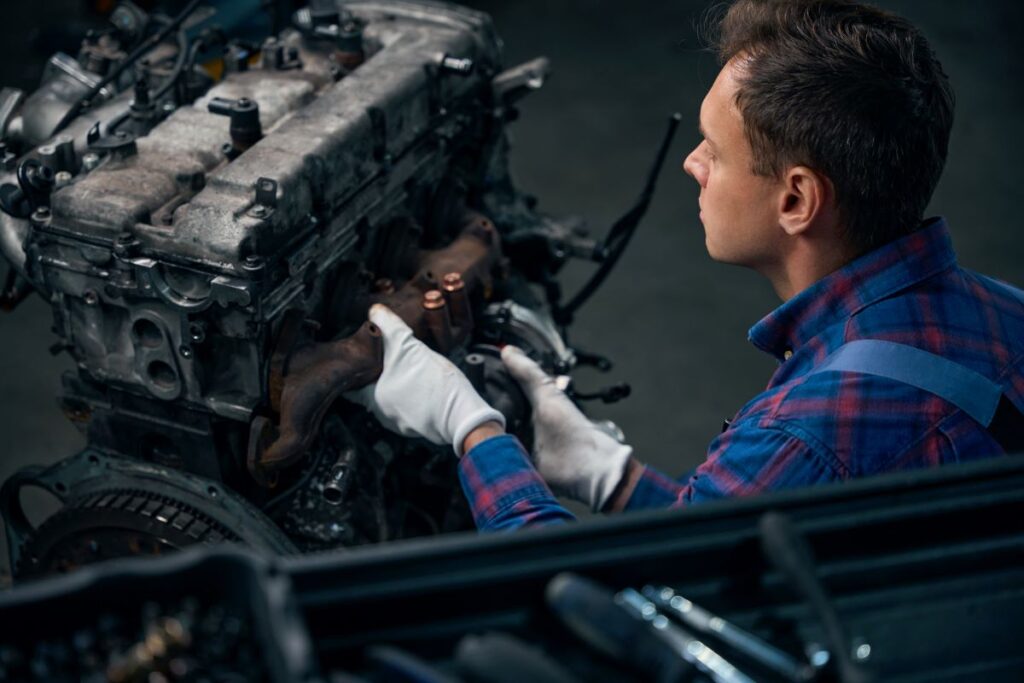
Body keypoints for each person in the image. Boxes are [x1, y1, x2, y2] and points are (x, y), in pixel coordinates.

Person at [349, 0, 1024, 531]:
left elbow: (596, 612)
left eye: (713, 150)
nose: (691, 164)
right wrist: (613, 480)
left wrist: (473, 428)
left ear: (796, 198)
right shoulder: (1006, 310)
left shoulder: (804, 435)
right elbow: (736, 537)